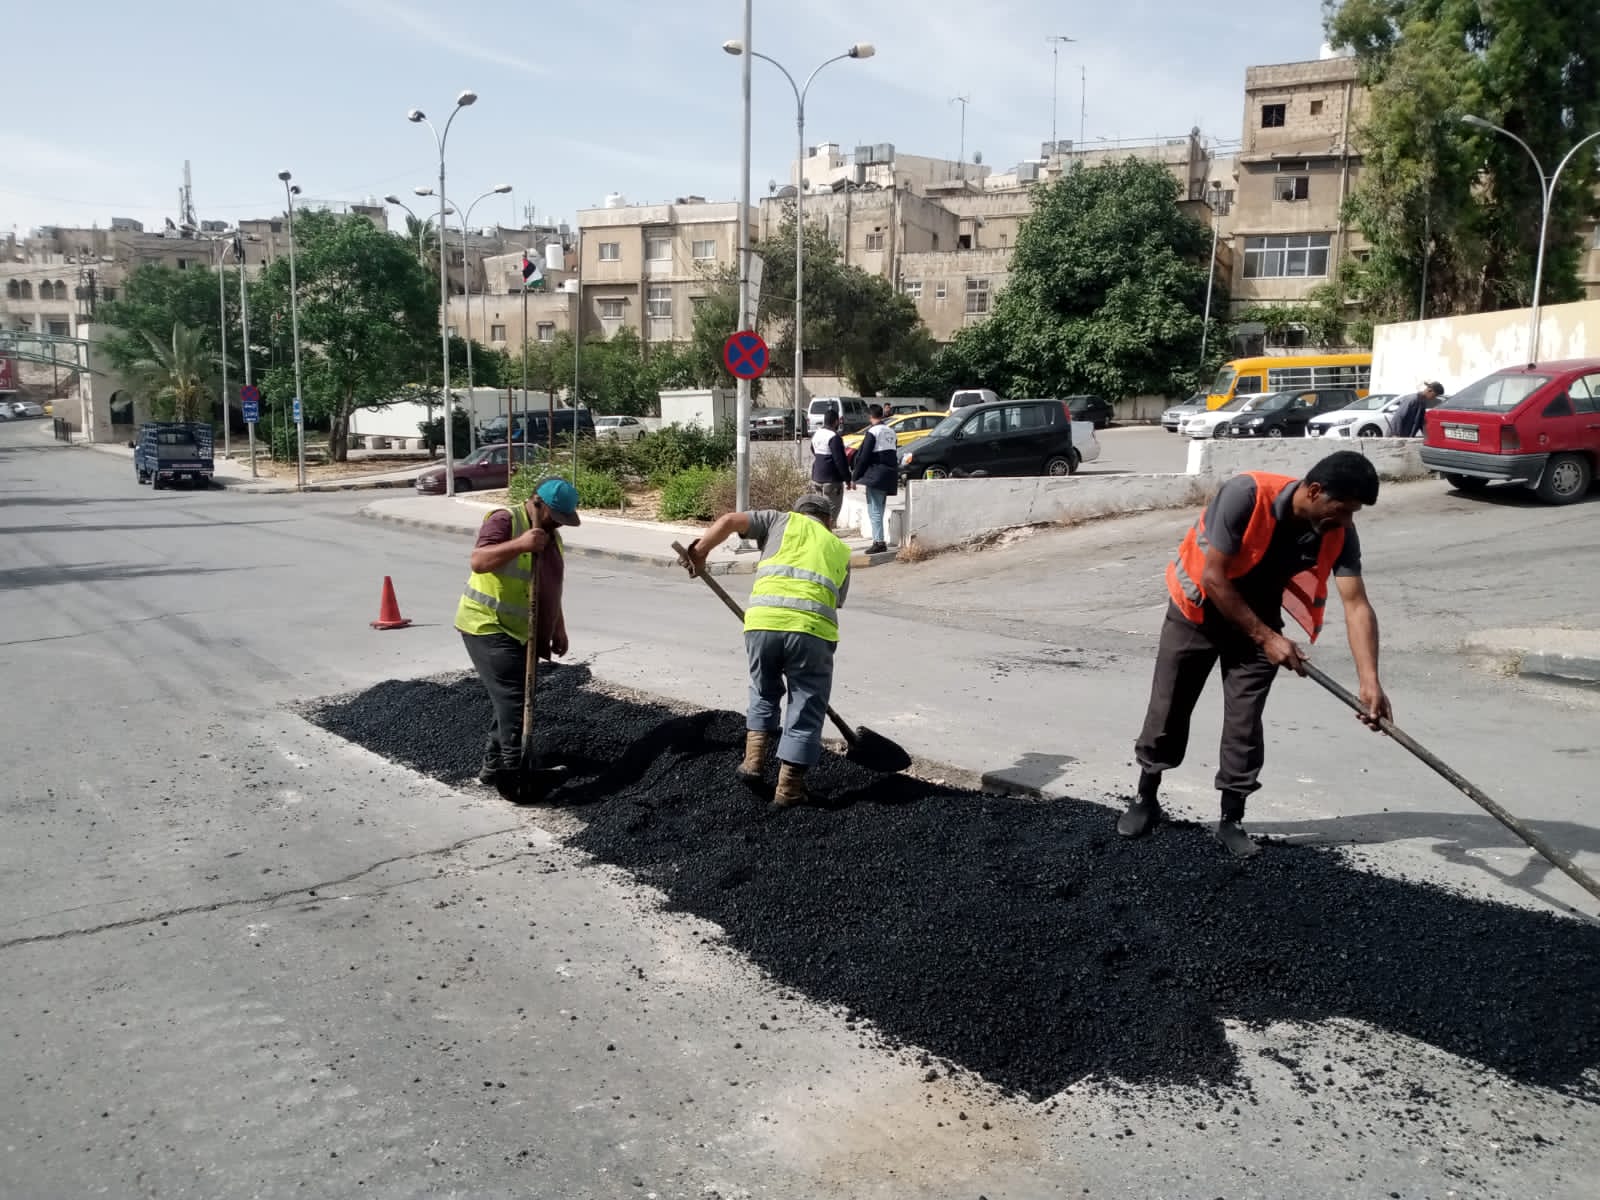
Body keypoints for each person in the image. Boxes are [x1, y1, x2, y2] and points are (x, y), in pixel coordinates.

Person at [1117, 451, 1392, 858]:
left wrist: (1370, 681)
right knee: (1169, 709)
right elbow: (1213, 577)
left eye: (1354, 513)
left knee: (1245, 724)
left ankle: (1231, 819)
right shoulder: (1246, 495)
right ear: (1315, 491)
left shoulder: (1336, 531)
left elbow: (1356, 605)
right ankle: (1145, 798)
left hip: (1258, 619)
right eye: (1344, 508)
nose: (1348, 521)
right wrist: (1267, 638)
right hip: (1197, 612)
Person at [683, 493, 852, 807]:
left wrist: (700, 552)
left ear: (797, 511)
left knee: (763, 689)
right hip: (812, 632)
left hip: (761, 624)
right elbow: (837, 600)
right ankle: (789, 789)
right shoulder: (839, 548)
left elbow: (730, 521)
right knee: (806, 701)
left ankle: (753, 762)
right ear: (829, 522)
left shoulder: (778, 520)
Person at [455, 478, 580, 792]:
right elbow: (479, 561)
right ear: (539, 504)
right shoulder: (505, 520)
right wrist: (522, 544)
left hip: (520, 630)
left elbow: (550, 585)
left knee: (511, 699)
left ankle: (492, 769)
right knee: (514, 699)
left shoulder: (551, 535)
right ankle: (517, 775)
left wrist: (558, 626)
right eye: (556, 518)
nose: (558, 526)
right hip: (486, 623)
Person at [851, 404, 899, 554]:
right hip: (889, 474)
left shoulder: (872, 432)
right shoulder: (891, 432)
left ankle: (879, 542)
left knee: (874, 510)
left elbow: (864, 457)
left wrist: (855, 476)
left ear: (870, 416)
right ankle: (879, 540)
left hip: (876, 475)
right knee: (880, 508)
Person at [808, 408, 853, 522]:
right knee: (831, 512)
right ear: (836, 421)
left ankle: (819, 534)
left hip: (817, 477)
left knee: (820, 511)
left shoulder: (817, 434)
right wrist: (848, 479)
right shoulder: (834, 436)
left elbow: (813, 450)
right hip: (831, 480)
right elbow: (840, 461)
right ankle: (827, 534)